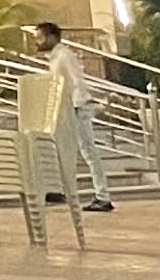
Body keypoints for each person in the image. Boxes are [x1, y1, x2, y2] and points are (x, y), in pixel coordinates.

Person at [32, 20, 116, 211]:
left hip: (77, 108)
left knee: (88, 151)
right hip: (67, 109)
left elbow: (77, 81)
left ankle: (103, 196)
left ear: (52, 37)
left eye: (40, 37)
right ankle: (61, 189)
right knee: (62, 149)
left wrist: (78, 105)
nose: (37, 42)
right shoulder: (56, 57)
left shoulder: (64, 56)